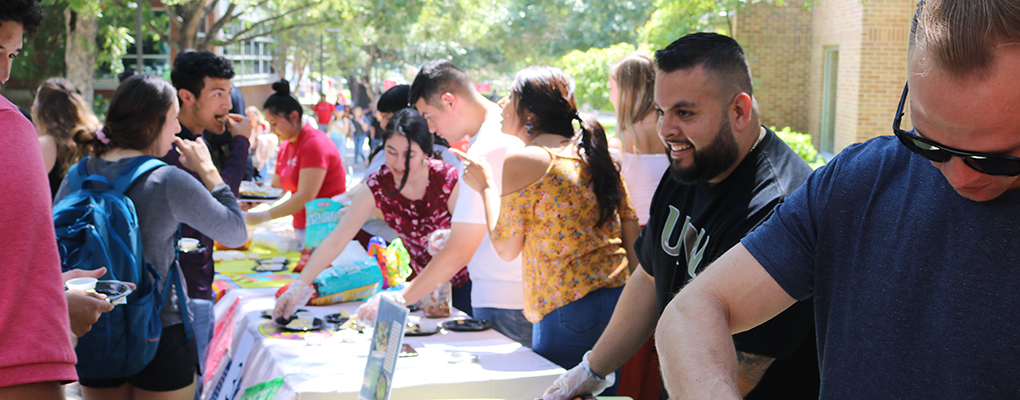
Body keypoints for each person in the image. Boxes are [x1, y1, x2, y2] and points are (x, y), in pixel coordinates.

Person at [656, 2, 1020, 399]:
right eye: (927, 142)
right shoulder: (858, 182)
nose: (960, 176)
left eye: (997, 158)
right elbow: (692, 310)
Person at [541, 33, 819, 400]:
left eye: (685, 113)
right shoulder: (690, 165)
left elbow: (742, 369)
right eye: (661, 111)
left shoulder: (779, 207)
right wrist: (593, 370)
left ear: (739, 110)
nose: (666, 130)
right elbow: (649, 276)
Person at [56, 74, 247, 400]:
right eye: (173, 119)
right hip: (161, 328)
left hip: (98, 326)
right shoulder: (166, 180)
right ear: (150, 126)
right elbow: (235, 231)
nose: (176, 129)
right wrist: (210, 172)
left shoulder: (77, 176)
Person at [454, 66, 639, 371]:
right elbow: (629, 225)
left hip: (567, 305)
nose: (501, 103)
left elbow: (506, 248)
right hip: (617, 300)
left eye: (511, 95)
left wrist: (486, 186)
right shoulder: (591, 152)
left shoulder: (528, 159)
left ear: (531, 113)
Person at [355, 60, 532, 348]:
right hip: (503, 294)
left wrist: (401, 298)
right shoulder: (500, 133)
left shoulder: (486, 147)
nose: (430, 128)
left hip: (506, 300)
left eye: (428, 115)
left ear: (449, 101)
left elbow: (460, 250)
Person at [273, 108, 468, 319]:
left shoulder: (447, 179)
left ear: (425, 153)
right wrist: (300, 286)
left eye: (409, 155)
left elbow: (464, 243)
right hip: (422, 288)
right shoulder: (378, 184)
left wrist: (450, 235)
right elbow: (336, 241)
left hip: (466, 283)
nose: (398, 163)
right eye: (391, 152)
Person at [0, 2, 85, 397]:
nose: (4, 73)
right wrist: (46, 303)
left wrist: (42, 284)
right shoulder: (10, 129)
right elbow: (24, 347)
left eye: (12, 55)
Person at [162, 50, 251, 383]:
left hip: (196, 284)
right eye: (217, 94)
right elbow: (219, 207)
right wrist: (241, 143)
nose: (227, 105)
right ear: (186, 97)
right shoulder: (175, 149)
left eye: (229, 93)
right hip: (184, 296)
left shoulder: (197, 140)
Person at [243, 80, 346, 233]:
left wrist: (263, 216)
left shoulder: (314, 144)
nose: (271, 130)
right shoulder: (286, 145)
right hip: (302, 227)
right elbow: (277, 189)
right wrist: (251, 200)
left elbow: (305, 196)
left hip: (327, 230)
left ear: (294, 117)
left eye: (274, 123)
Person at [607, 53, 669, 226]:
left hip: (635, 236)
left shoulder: (616, 144)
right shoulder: (673, 133)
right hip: (672, 235)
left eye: (612, 89)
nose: (611, 97)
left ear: (626, 92)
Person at [33, 77, 101, 198]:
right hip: (91, 213)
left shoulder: (44, 145)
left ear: (41, 110)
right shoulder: (93, 139)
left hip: (55, 215)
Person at [246, 105, 278, 179]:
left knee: (263, 173)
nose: (251, 118)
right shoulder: (248, 126)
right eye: (249, 116)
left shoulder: (263, 125)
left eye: (252, 116)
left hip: (264, 153)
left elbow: (270, 135)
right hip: (253, 153)